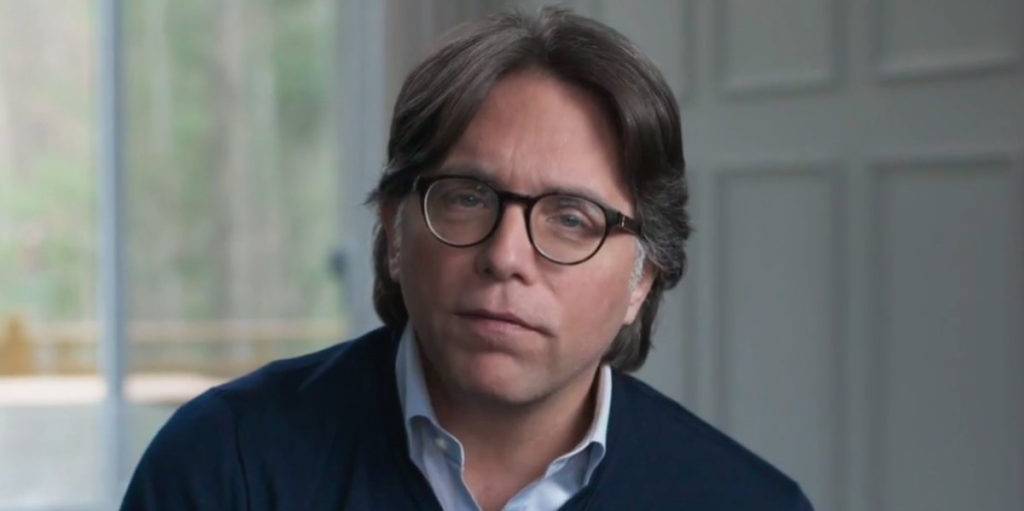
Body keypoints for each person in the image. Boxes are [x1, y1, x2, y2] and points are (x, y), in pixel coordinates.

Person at [122, 7, 813, 511]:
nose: (505, 256)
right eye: (466, 198)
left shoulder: (747, 503)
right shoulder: (224, 465)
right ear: (395, 231)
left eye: (572, 219)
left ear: (643, 279)